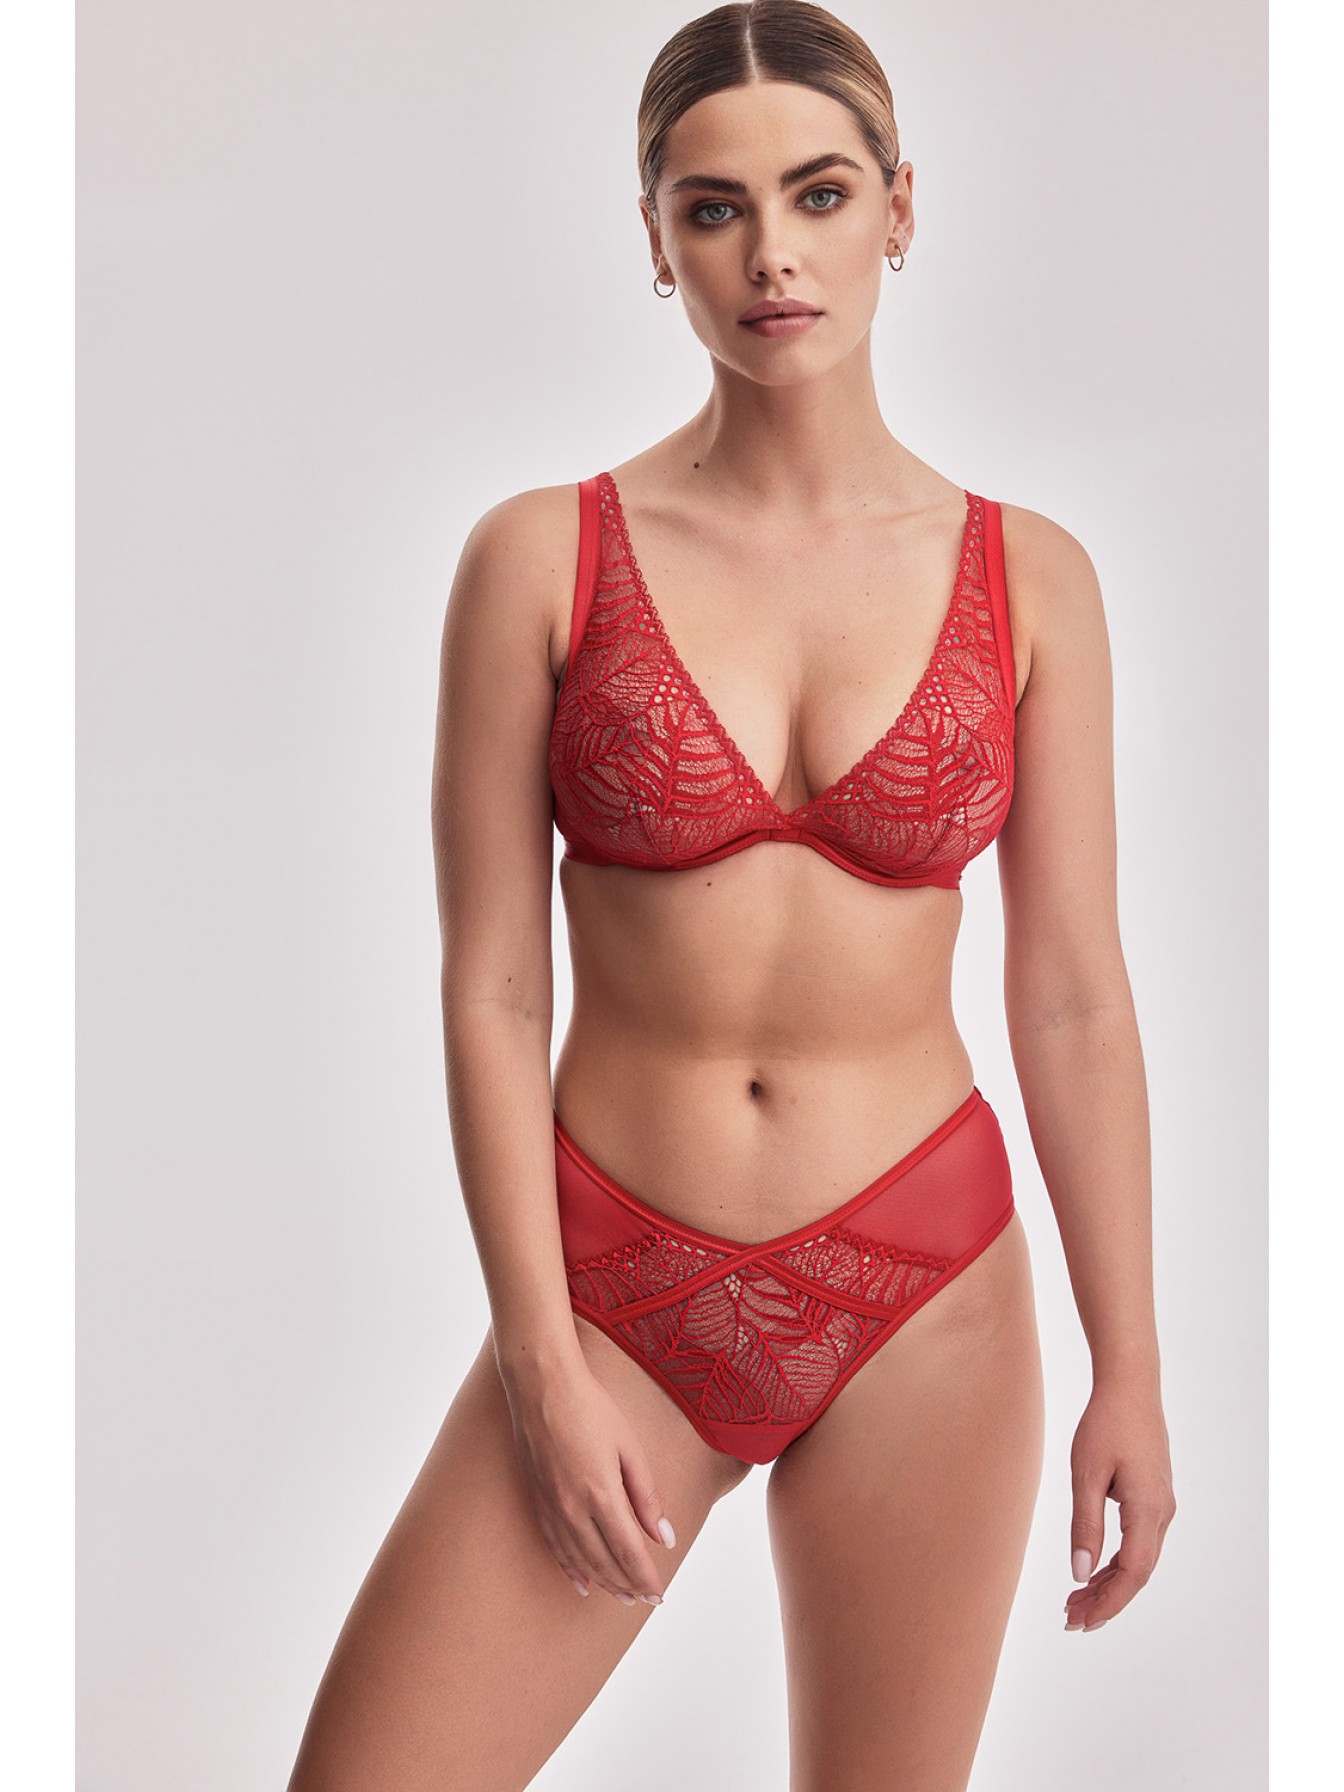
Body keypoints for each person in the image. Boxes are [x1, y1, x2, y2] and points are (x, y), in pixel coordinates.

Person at [286, 3, 1176, 1787]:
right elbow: (491, 990)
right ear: (655, 238)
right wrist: (538, 1357)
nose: (773, 253)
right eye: (715, 208)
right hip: (617, 1290)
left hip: (927, 1291)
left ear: (901, 208)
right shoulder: (542, 558)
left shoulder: (1033, 580)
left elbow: (1073, 991)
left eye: (820, 193)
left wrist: (1131, 1371)